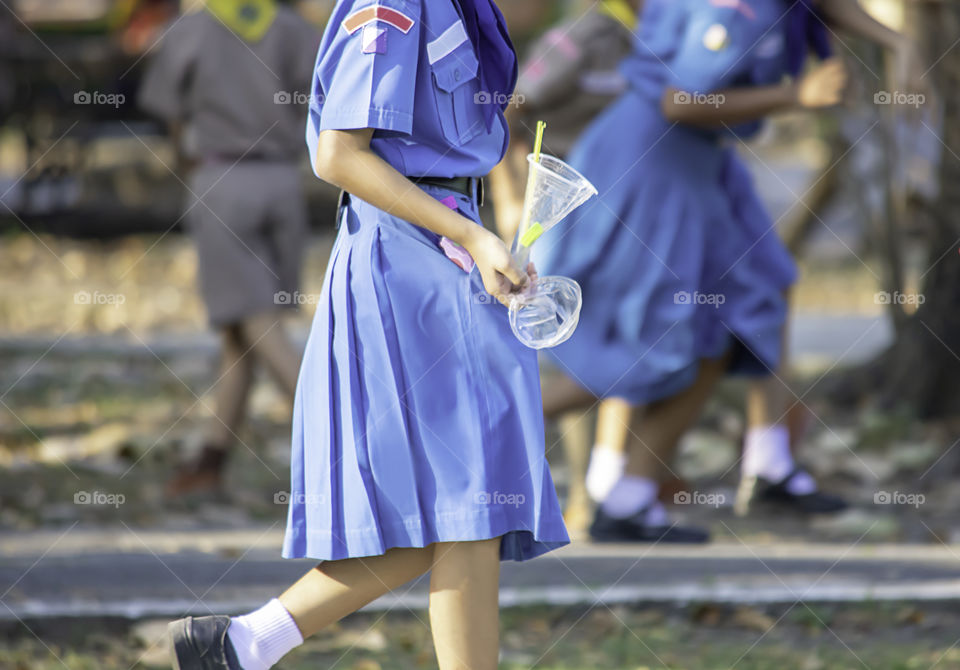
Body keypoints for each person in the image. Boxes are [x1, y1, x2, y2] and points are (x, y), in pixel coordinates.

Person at [166, 0, 569, 668]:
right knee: (470, 501)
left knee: (466, 507)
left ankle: (241, 644)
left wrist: (489, 228)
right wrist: (467, 231)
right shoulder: (396, 3)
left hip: (453, 247)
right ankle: (244, 643)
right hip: (413, 259)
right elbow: (338, 153)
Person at [536, 0, 923, 543]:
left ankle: (643, 496)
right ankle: (487, 425)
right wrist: (796, 95)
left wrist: (898, 42)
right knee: (645, 348)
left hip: (696, 163)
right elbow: (679, 101)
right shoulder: (733, 8)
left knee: (735, 317)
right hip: (654, 169)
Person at [138, 0, 320, 496]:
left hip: (221, 177)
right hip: (284, 181)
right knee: (243, 328)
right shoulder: (292, 29)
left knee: (256, 319)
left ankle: (336, 437)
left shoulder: (193, 29)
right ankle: (212, 460)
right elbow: (321, 103)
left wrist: (186, 161)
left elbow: (168, 111)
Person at [488, 0, 642, 533]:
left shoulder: (658, 40)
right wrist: (509, 195)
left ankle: (605, 487)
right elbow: (507, 108)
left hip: (624, 215)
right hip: (560, 208)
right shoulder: (581, 36)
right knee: (571, 351)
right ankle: (572, 490)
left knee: (622, 342)